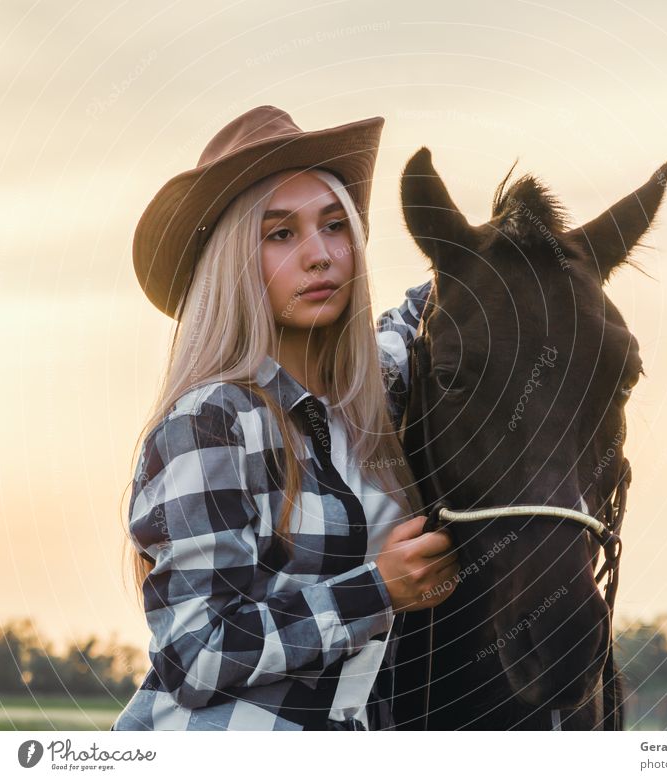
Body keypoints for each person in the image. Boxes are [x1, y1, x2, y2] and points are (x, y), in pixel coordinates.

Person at [111, 106, 458, 731]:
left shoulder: (373, 395)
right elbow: (194, 654)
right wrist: (377, 590)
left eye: (334, 226)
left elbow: (433, 303)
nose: (320, 255)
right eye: (280, 234)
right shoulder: (212, 420)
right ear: (232, 264)